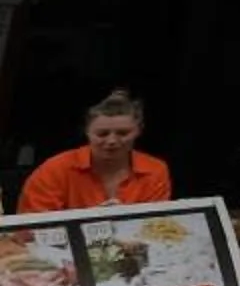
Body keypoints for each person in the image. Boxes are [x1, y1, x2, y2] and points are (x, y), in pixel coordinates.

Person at [18, 91, 172, 213]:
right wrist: (94, 222)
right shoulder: (55, 169)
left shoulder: (155, 170)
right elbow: (32, 227)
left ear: (139, 131)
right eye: (102, 134)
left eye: (123, 133)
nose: (112, 141)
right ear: (87, 132)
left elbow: (155, 227)